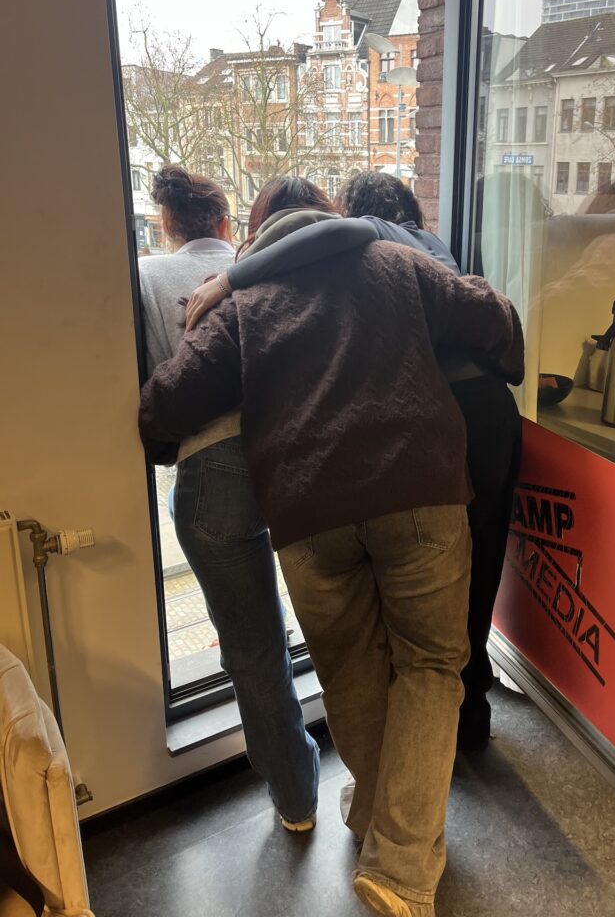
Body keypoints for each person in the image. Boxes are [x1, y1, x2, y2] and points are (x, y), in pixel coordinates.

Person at [139, 222, 524, 917]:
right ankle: (402, 868)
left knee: (349, 668)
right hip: (419, 488)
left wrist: (163, 442)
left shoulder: (244, 301)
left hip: (307, 512)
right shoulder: (397, 263)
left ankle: (373, 814)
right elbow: (488, 312)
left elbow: (167, 400)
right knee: (430, 664)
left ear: (258, 248)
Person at [184, 171, 523, 750]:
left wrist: (233, 277)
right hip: (490, 409)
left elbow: (325, 239)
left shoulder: (368, 235)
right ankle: (469, 721)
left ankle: (413, 754)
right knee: (474, 574)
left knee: (399, 628)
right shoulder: (429, 243)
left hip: (433, 422)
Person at [138, 164, 320, 833]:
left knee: (251, 645)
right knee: (340, 618)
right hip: (297, 452)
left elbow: (153, 385)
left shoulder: (146, 277)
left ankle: (296, 800)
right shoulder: (264, 264)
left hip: (211, 466)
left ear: (167, 225)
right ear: (226, 222)